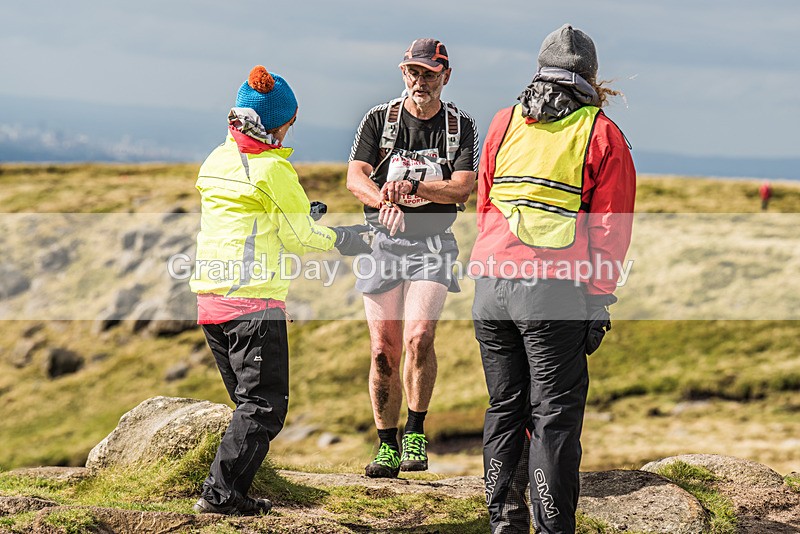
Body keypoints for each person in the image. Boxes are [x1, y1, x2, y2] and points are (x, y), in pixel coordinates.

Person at [470, 25, 636, 533]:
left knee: (505, 405)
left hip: (491, 283)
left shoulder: (504, 122)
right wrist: (598, 302)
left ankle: (503, 520)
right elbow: (611, 227)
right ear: (590, 76)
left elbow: (485, 200)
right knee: (554, 413)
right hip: (551, 291)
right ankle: (553, 526)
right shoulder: (601, 133)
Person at [189, 65, 370, 516]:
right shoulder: (273, 169)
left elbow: (249, 218)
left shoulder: (216, 159)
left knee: (246, 405)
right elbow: (299, 239)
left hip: (211, 301)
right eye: (291, 120)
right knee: (264, 406)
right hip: (252, 302)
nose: (293, 126)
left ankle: (231, 488)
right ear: (279, 122)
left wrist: (298, 213)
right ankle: (221, 495)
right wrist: (346, 238)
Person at [347, 38, 479, 478]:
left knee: (419, 337)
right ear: (403, 74)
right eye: (411, 72)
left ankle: (416, 432)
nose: (419, 81)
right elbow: (355, 176)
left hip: (433, 245)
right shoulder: (378, 120)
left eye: (428, 73)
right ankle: (386, 444)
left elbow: (462, 188)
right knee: (383, 350)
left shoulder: (460, 126)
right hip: (381, 244)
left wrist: (413, 189)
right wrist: (382, 202)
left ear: (446, 75)